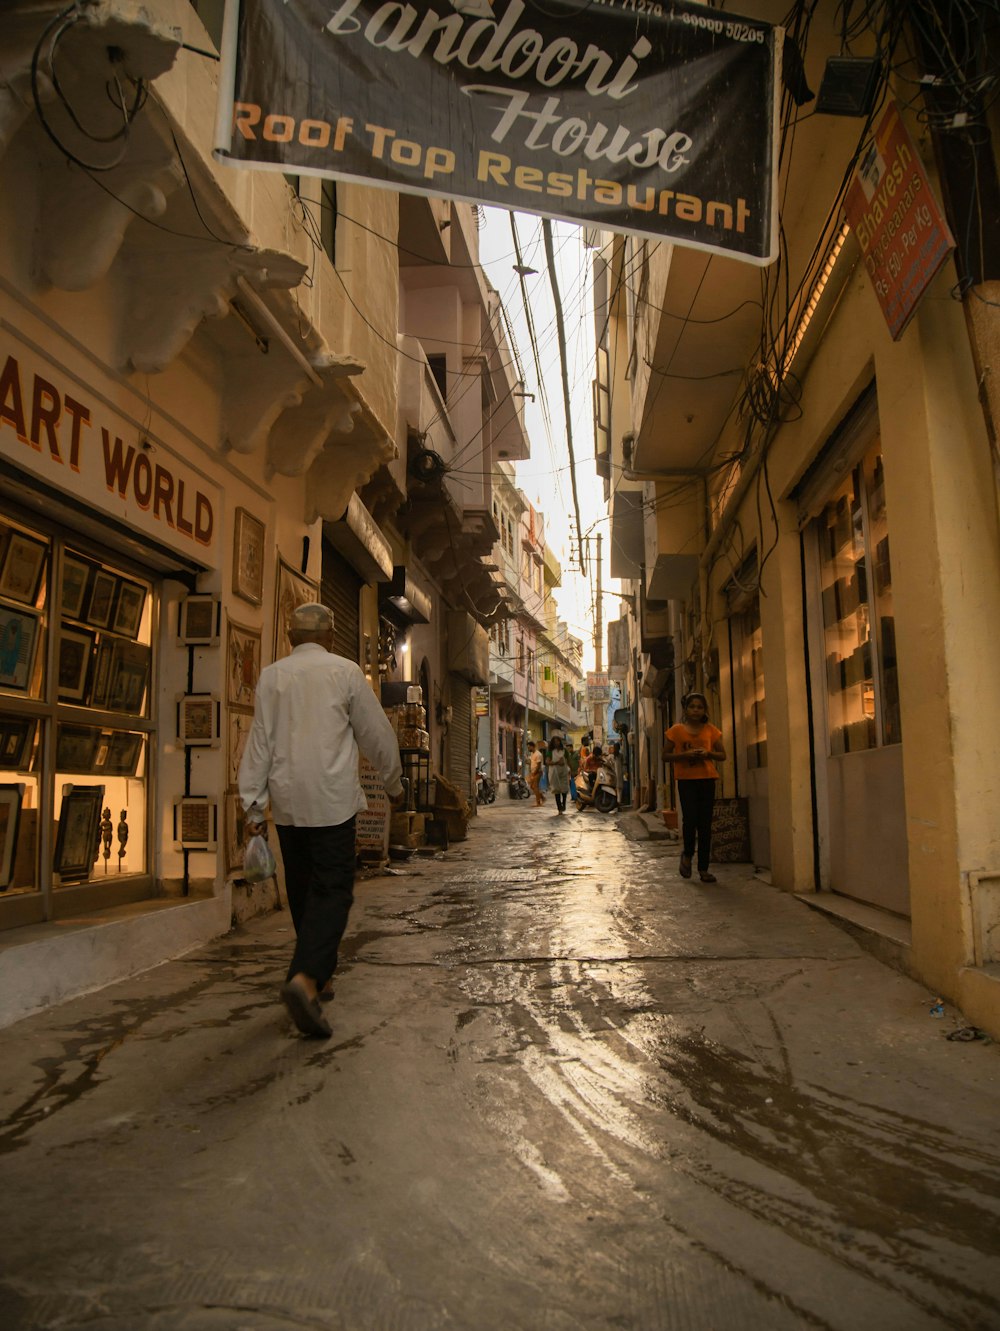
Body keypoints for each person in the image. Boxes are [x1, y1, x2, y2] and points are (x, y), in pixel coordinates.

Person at [239, 603, 405, 1038]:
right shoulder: (345, 672)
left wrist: (253, 806)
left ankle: (322, 975)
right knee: (332, 892)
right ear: (331, 636)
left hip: (289, 803)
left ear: (290, 637)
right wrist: (393, 783)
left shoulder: (273, 676)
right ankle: (306, 979)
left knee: (302, 888)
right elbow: (376, 734)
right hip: (331, 804)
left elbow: (259, 742)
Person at [664, 692, 726, 883]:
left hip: (707, 779)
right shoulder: (675, 731)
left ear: (704, 710)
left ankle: (704, 869)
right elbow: (665, 756)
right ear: (686, 709)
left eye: (699, 707)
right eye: (692, 707)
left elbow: (722, 755)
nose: (696, 710)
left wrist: (708, 753)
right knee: (690, 820)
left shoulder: (711, 731)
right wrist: (685, 755)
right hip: (686, 780)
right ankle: (688, 854)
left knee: (705, 824)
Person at [546, 734, 570, 814]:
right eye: (555, 742)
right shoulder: (550, 752)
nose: (557, 743)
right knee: (556, 790)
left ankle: (564, 803)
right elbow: (547, 762)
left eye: (558, 741)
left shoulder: (564, 751)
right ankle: (559, 808)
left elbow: (568, 760)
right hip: (554, 772)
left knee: (564, 789)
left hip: (563, 772)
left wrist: (571, 769)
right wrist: (556, 762)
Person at [526, 740, 545, 806]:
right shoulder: (532, 754)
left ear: (532, 746)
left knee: (535, 786)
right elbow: (532, 762)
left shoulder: (538, 754)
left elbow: (539, 765)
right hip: (533, 771)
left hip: (538, 772)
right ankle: (542, 797)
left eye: (529, 747)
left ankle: (538, 802)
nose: (528, 749)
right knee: (532, 786)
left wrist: (534, 772)